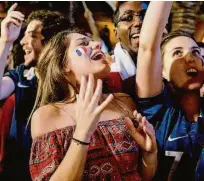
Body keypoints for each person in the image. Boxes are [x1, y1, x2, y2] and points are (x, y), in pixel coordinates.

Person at [29, 28, 157, 181]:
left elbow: (144, 176)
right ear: (63, 65)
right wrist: (83, 132)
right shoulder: (48, 116)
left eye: (93, 41)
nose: (97, 44)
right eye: (83, 43)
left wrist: (149, 154)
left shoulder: (124, 102)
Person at [0, 3, 70, 181]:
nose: (22, 42)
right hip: (18, 169)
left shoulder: (68, 78)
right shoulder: (21, 74)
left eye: (31, 35)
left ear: (51, 42)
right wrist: (6, 41)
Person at [135, 1, 204, 181]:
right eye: (177, 53)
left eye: (196, 52)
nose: (190, 58)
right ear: (161, 70)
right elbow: (148, 47)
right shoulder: (157, 111)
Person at [105, 1, 147, 97]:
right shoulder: (107, 71)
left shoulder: (170, 59)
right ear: (116, 33)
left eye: (145, 17)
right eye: (128, 18)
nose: (138, 22)